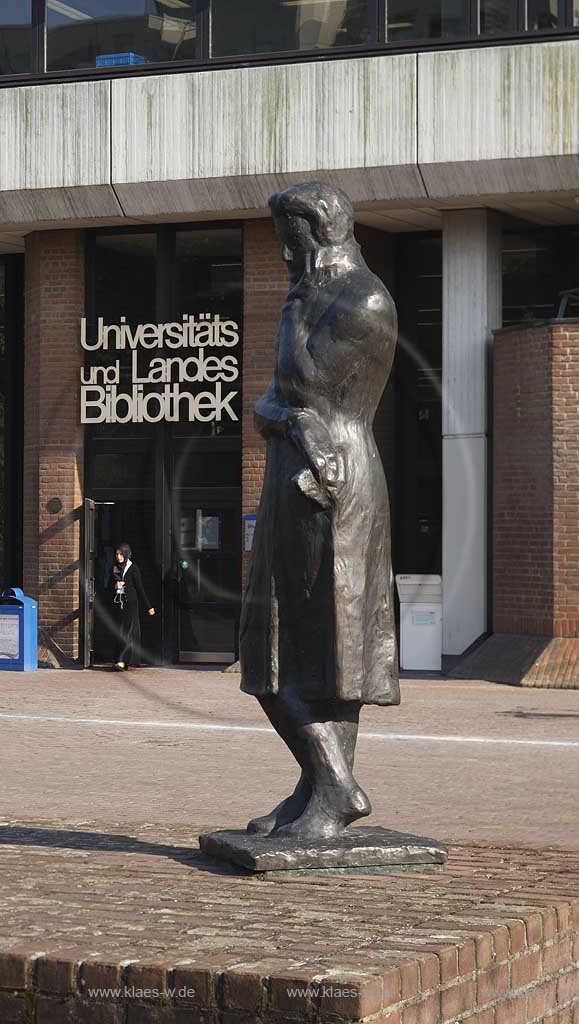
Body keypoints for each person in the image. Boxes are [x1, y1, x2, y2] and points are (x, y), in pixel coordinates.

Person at [239, 182, 400, 840]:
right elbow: (274, 405)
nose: (281, 250)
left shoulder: (361, 298)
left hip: (333, 484)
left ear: (323, 228)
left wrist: (285, 417)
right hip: (295, 472)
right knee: (271, 646)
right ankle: (320, 786)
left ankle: (333, 790)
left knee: (328, 647)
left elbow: (300, 393)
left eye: (291, 235)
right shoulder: (304, 294)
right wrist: (283, 418)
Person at [111, 543, 155, 670]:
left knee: (129, 631)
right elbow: (108, 585)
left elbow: (140, 588)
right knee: (120, 630)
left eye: (121, 554)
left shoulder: (133, 568)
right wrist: (115, 586)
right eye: (117, 554)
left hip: (131, 603)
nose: (119, 557)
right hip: (119, 603)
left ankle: (123, 660)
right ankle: (124, 659)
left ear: (126, 554)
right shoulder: (115, 568)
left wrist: (148, 606)